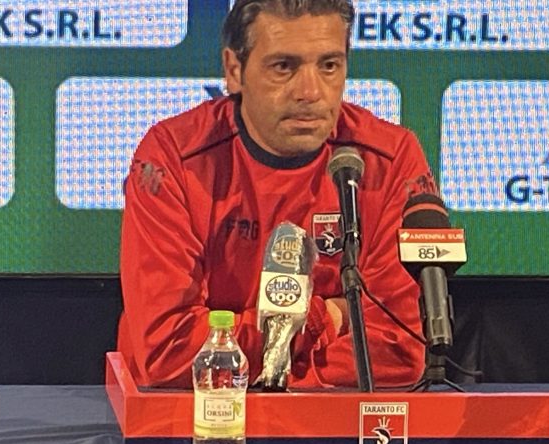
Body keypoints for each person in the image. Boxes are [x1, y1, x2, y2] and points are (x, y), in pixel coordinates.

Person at [118, 0, 437, 389]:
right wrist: (325, 318)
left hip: (325, 421)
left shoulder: (391, 158)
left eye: (329, 66)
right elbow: (168, 350)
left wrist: (264, 372)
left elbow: (397, 350)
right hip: (189, 418)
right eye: (284, 67)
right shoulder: (172, 158)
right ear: (234, 70)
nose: (310, 92)